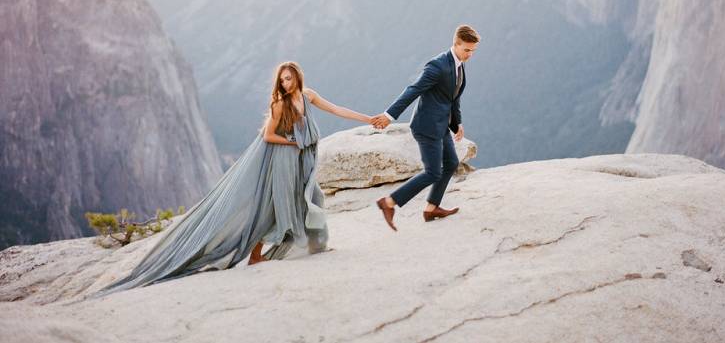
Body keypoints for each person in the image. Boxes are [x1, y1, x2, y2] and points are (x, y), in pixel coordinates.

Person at [95, 61, 374, 296]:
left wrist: (368, 118)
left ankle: (316, 245)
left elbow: (337, 109)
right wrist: (293, 144)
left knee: (313, 197)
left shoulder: (308, 96)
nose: (286, 83)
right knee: (273, 207)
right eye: (282, 80)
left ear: (297, 77)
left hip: (302, 160)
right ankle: (255, 255)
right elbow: (268, 136)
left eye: (289, 79)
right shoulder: (280, 104)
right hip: (283, 160)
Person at [372, 25, 479, 230]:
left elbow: (453, 98)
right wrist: (389, 115)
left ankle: (431, 208)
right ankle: (388, 203)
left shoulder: (459, 65)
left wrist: (458, 124)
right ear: (455, 44)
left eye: (473, 51)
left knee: (451, 163)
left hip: (442, 125)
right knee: (432, 172)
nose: (470, 55)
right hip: (427, 126)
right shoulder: (437, 66)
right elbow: (413, 90)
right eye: (467, 50)